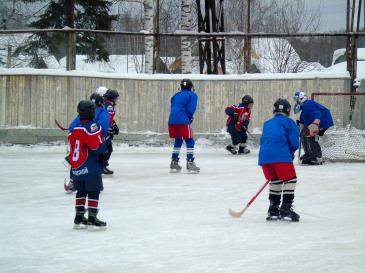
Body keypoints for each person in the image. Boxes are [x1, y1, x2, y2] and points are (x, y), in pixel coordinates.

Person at [258, 98, 300, 222]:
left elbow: (264, 140)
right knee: (290, 179)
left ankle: (273, 209)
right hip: (280, 155)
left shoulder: (267, 123)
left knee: (275, 180)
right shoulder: (289, 122)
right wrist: (290, 152)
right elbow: (294, 142)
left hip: (265, 158)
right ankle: (286, 208)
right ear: (288, 110)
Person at [68, 100, 107, 230]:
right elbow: (96, 146)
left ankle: (78, 218)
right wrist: (103, 150)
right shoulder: (91, 127)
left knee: (81, 191)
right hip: (90, 166)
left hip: (77, 167)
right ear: (91, 112)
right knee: (94, 191)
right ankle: (92, 218)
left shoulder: (74, 128)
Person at [64, 92, 110, 193]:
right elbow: (103, 129)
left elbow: (72, 127)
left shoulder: (81, 114)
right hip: (92, 142)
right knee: (94, 162)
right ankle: (94, 185)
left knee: (78, 162)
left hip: (76, 142)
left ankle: (74, 181)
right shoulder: (103, 112)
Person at [293, 90, 334, 165]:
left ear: (301, 98)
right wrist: (300, 122)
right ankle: (308, 154)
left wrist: (316, 123)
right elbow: (304, 117)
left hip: (322, 122)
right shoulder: (304, 107)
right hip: (315, 122)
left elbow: (317, 113)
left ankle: (317, 157)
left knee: (311, 136)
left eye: (297, 99)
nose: (297, 101)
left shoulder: (308, 104)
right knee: (303, 135)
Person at [168, 79, 200, 173]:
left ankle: (174, 161)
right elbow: (191, 108)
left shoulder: (176, 95)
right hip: (183, 120)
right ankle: (190, 162)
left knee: (178, 140)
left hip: (172, 120)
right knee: (190, 140)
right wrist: (189, 117)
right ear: (190, 86)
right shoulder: (192, 95)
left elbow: (173, 104)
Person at [101, 89, 120, 175]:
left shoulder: (107, 103)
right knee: (107, 148)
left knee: (107, 148)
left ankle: (102, 165)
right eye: (116, 98)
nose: (116, 100)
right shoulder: (108, 105)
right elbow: (107, 117)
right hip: (104, 130)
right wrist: (109, 127)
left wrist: (113, 124)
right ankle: (102, 166)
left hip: (104, 129)